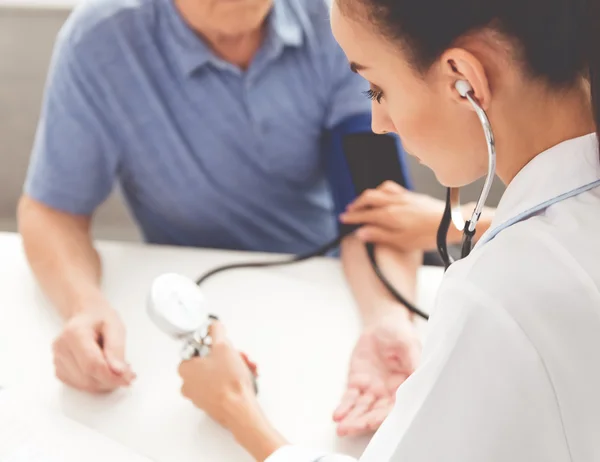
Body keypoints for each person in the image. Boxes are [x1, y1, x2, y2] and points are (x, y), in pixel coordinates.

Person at [176, 0, 600, 460]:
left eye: (376, 89)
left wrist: (237, 409)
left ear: (465, 79)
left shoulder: (496, 299)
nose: (380, 124)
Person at [15, 0, 451, 437]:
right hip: (202, 294)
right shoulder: (100, 43)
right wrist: (82, 305)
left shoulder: (340, 18)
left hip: (339, 282)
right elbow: (53, 211)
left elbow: (375, 208)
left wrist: (386, 319)